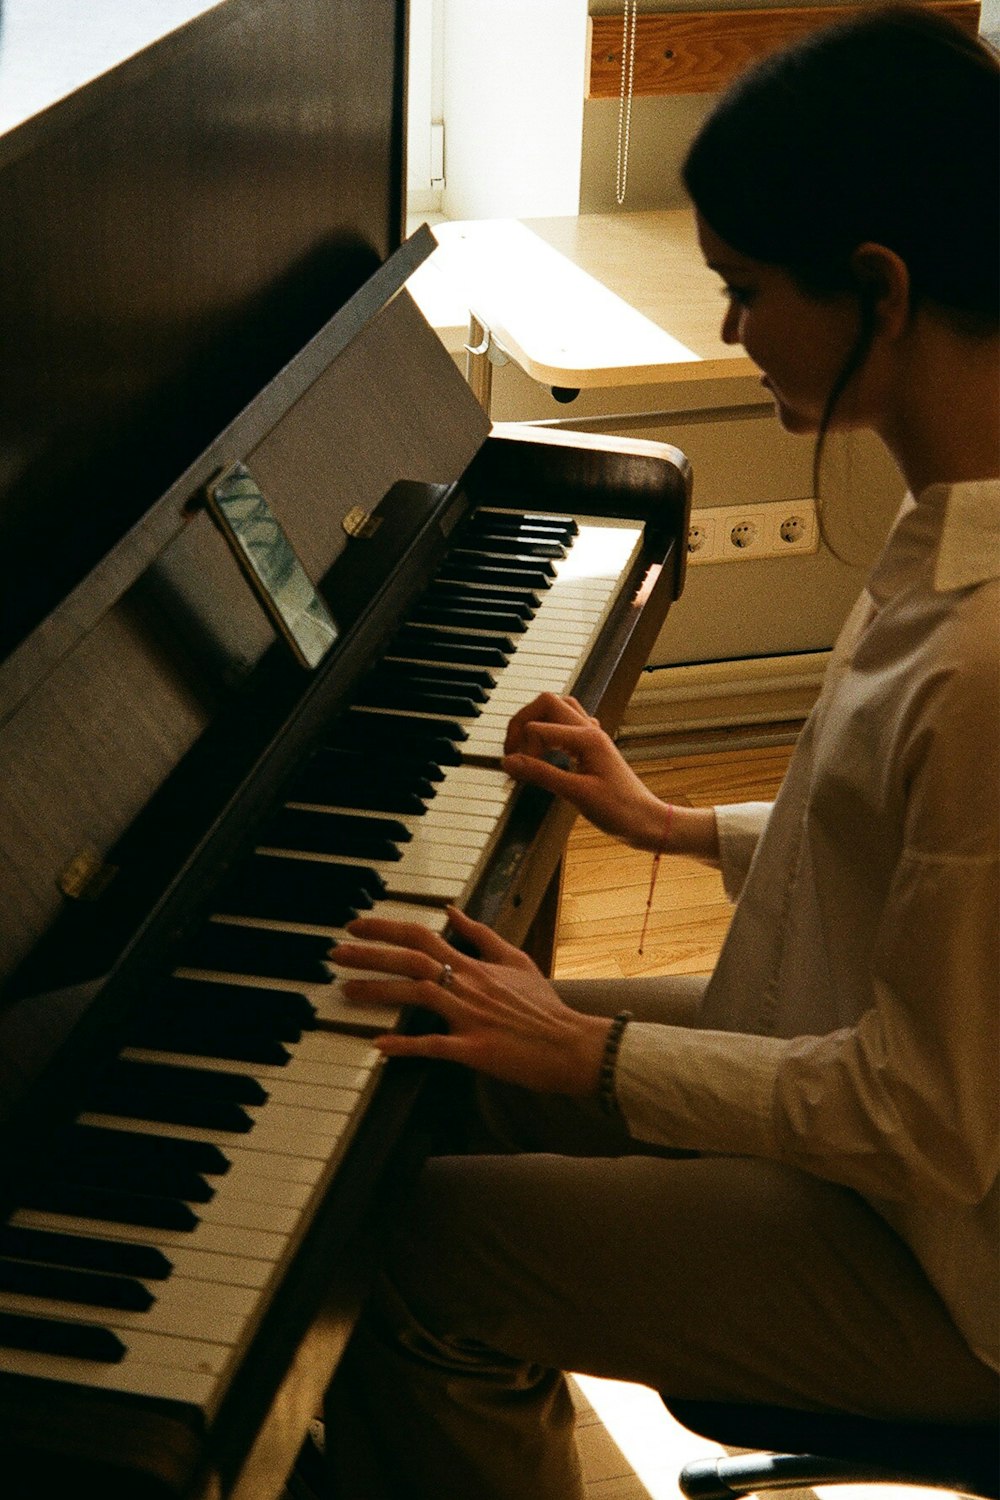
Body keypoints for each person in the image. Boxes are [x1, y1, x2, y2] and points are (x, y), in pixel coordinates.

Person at [321, 8, 999, 1496]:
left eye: (747, 293)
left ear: (879, 291)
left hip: (951, 1254)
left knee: (427, 1240)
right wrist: (683, 826)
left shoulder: (985, 644)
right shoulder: (961, 518)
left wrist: (594, 1055)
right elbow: (931, 855)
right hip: (874, 1073)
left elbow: (926, 1117)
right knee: (404, 1052)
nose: (731, 333)